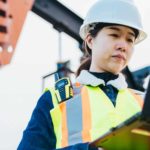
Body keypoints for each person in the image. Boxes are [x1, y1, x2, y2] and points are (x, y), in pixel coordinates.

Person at [18, 0, 147, 149]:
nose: (123, 46)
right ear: (90, 41)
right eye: (114, 34)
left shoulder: (142, 103)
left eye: (130, 39)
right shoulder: (56, 98)